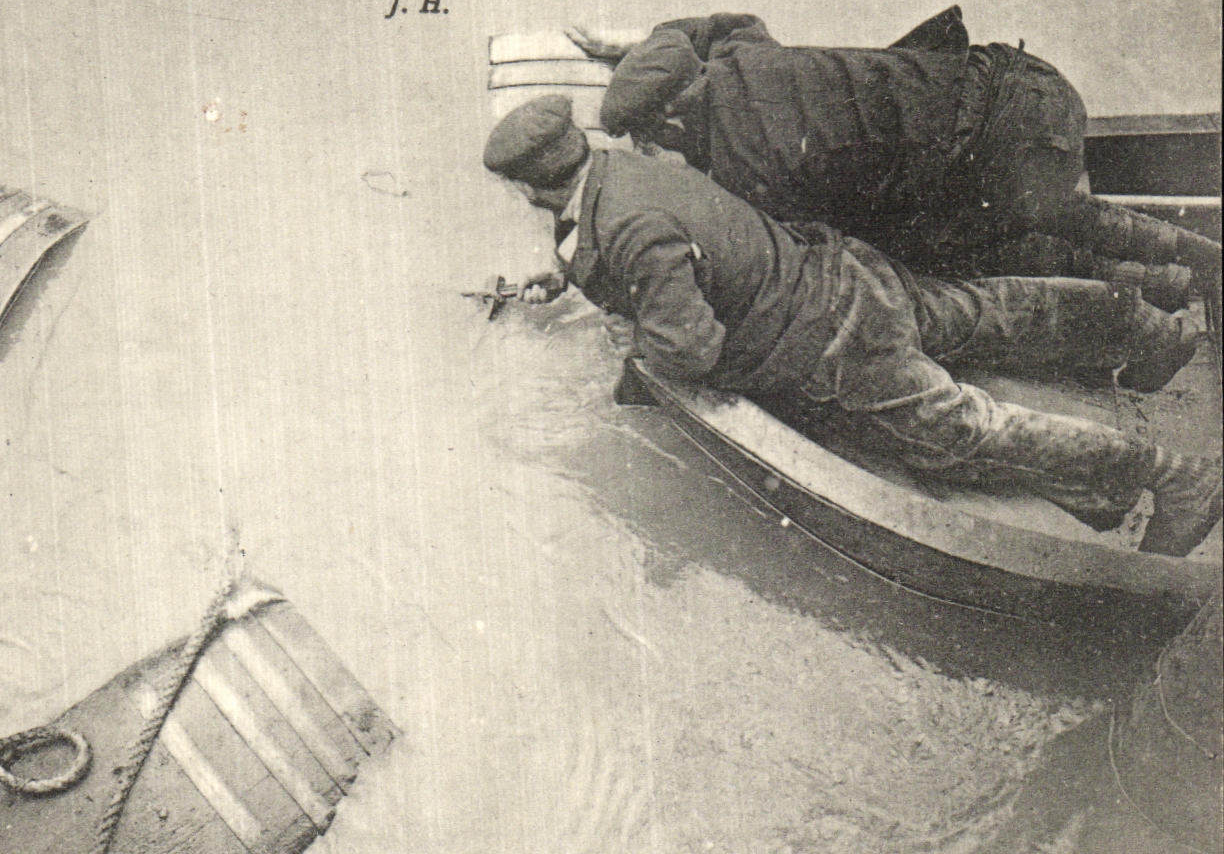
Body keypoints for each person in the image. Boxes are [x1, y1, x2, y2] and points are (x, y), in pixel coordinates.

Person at [483, 95, 1221, 557]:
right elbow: (674, 244)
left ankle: (1174, 477)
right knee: (982, 311)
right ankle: (1151, 331)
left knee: (962, 430)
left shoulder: (625, 226)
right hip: (844, 273)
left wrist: (632, 339)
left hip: (830, 342)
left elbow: (692, 345)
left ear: (525, 185)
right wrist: (581, 277)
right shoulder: (630, 169)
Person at [567, 7, 1217, 310]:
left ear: (675, 117)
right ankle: (1193, 265)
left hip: (1016, 158)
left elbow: (805, 254)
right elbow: (703, 29)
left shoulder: (750, 167)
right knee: (1040, 208)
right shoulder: (740, 54)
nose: (650, 152)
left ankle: (1168, 283)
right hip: (1027, 82)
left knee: (926, 258)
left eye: (649, 138)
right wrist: (642, 46)